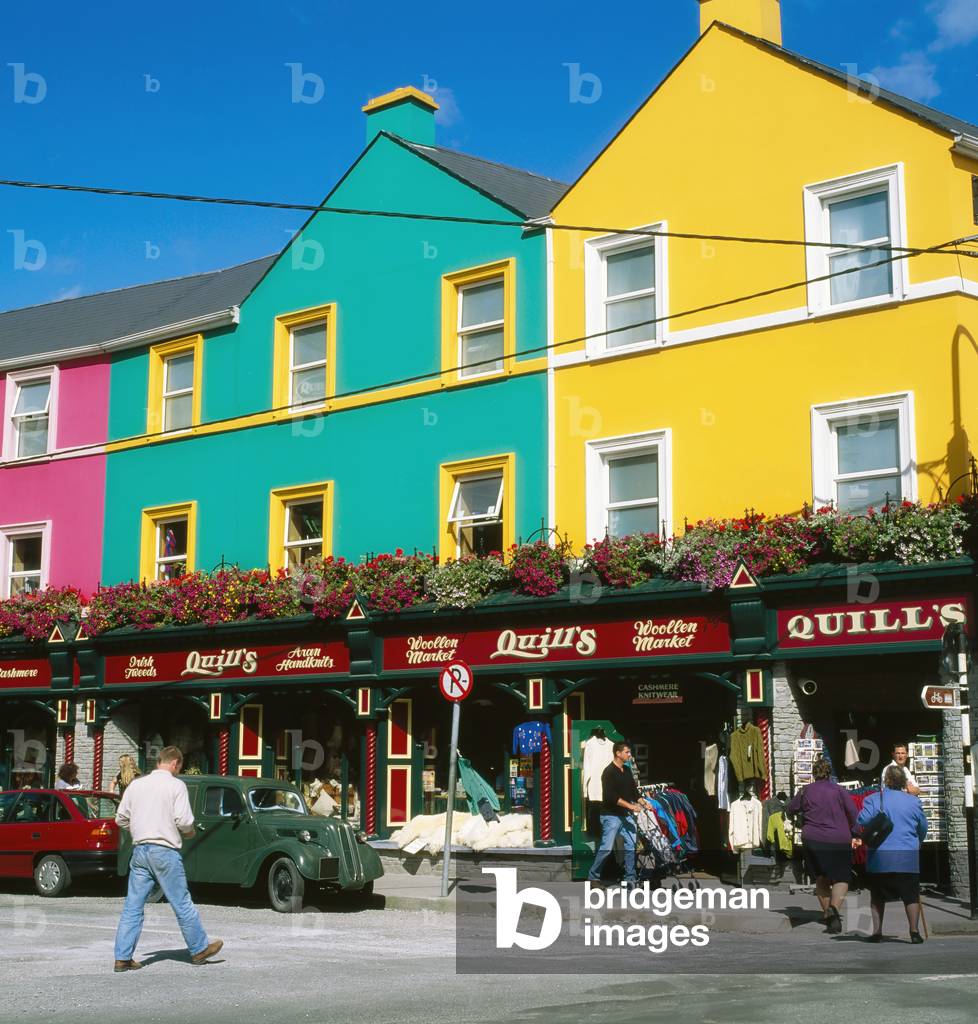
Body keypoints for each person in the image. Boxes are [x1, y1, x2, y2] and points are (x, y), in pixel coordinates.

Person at [113, 745, 223, 972]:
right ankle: (199, 949)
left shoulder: (136, 784)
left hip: (140, 850)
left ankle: (122, 957)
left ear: (158, 762)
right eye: (179, 767)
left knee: (133, 905)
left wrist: (138, 828)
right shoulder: (176, 785)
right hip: (164, 850)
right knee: (181, 902)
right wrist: (189, 832)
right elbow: (184, 821)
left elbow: (120, 818)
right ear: (175, 764)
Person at [857, 764, 929, 944]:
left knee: (877, 896)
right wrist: (917, 842)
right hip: (907, 856)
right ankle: (914, 931)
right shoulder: (913, 802)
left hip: (880, 857)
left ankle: (877, 932)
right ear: (904, 781)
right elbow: (922, 827)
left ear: (886, 780)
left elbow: (862, 820)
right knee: (911, 896)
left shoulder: (874, 799)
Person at [786, 757, 859, 934]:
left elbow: (790, 809)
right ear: (829, 773)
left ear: (814, 773)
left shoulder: (805, 791)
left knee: (820, 877)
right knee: (841, 877)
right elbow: (853, 812)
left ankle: (829, 916)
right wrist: (856, 833)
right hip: (839, 838)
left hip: (814, 839)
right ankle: (834, 909)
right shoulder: (839, 790)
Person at [587, 742, 642, 886]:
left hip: (626, 814)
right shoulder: (608, 772)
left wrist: (643, 802)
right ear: (618, 753)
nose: (629, 755)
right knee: (606, 848)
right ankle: (593, 877)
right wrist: (631, 806)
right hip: (611, 815)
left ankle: (630, 877)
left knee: (631, 845)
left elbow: (633, 791)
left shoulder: (627, 770)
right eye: (627, 752)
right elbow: (611, 797)